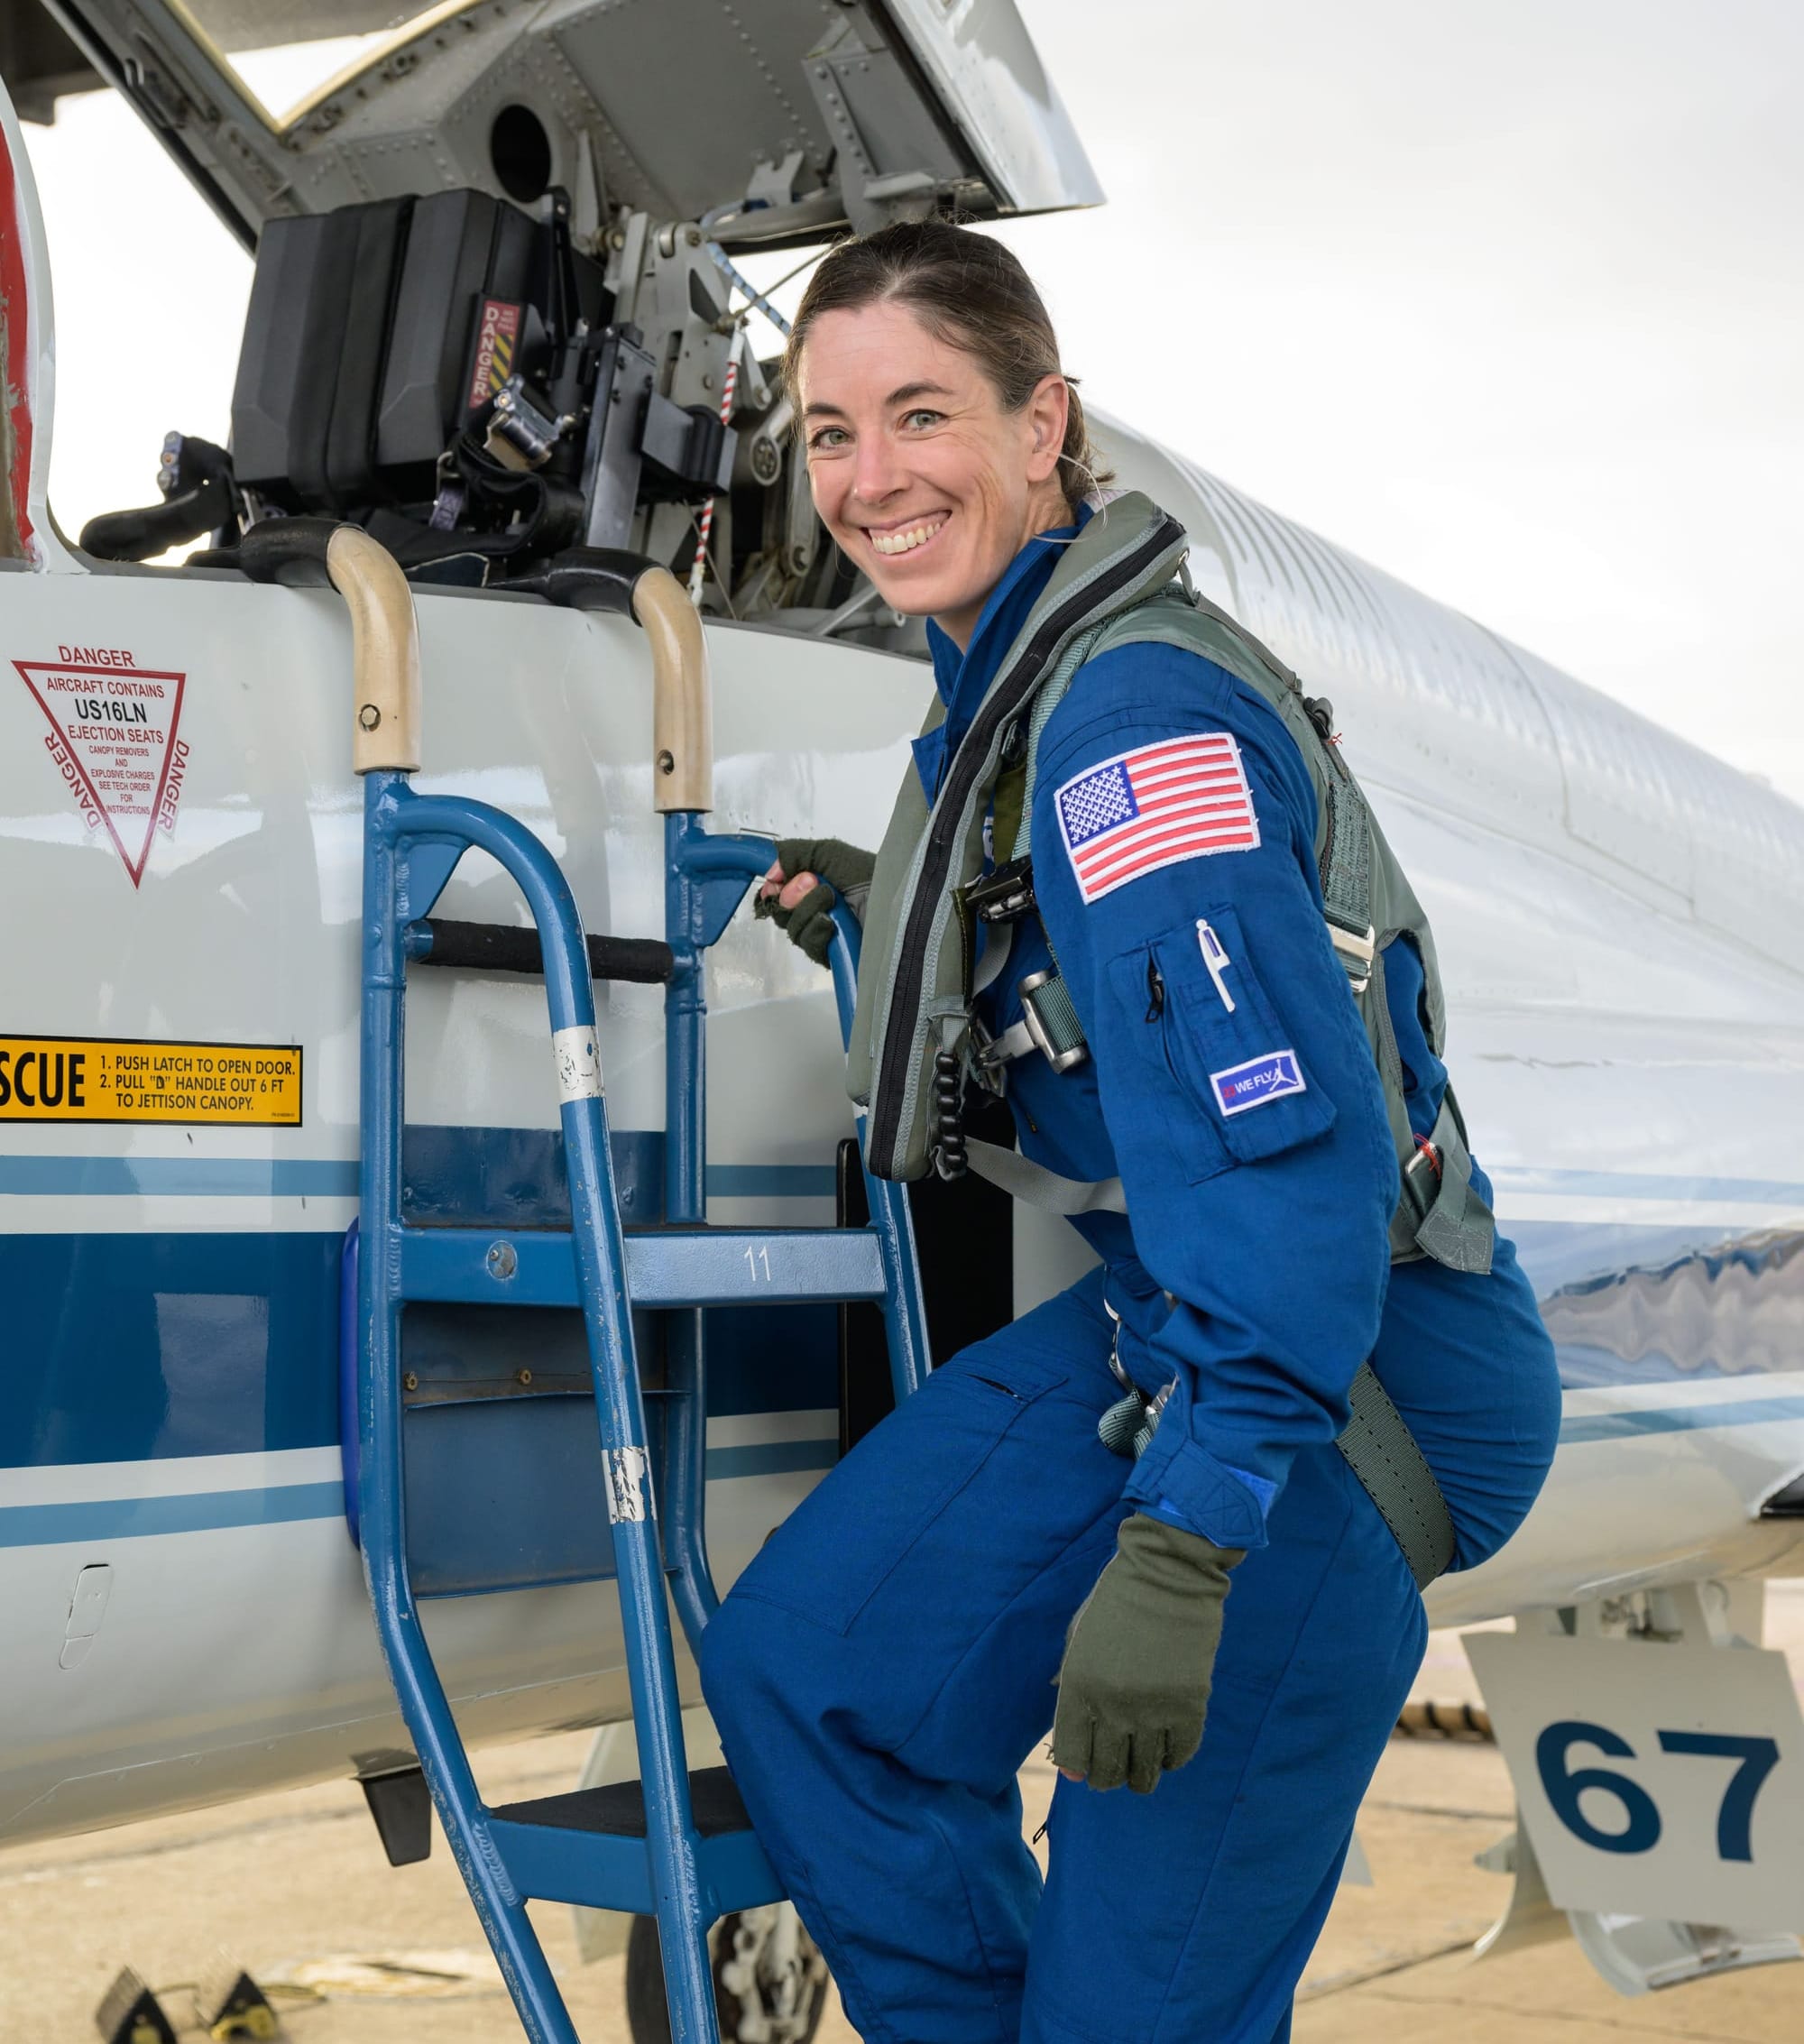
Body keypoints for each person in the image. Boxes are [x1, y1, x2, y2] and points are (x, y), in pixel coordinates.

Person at [697, 220, 1560, 2044]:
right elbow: (1098, 985)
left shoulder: (1124, 724)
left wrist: (1186, 1549)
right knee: (814, 1674)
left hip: (1338, 1382)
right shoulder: (1002, 704)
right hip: (1183, 1320)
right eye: (830, 431)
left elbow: (1276, 1164)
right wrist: (910, 919)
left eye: (919, 414)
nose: (866, 478)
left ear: (1042, 422)